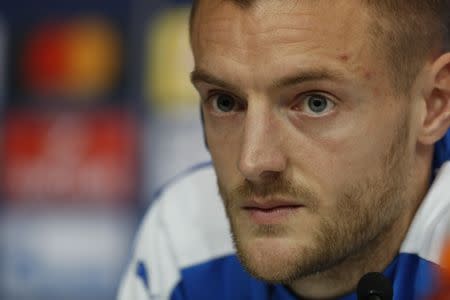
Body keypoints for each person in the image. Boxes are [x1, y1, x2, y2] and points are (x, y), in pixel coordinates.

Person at [118, 0, 450, 299]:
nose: (252, 161)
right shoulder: (188, 235)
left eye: (315, 103)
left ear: (434, 105)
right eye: (225, 102)